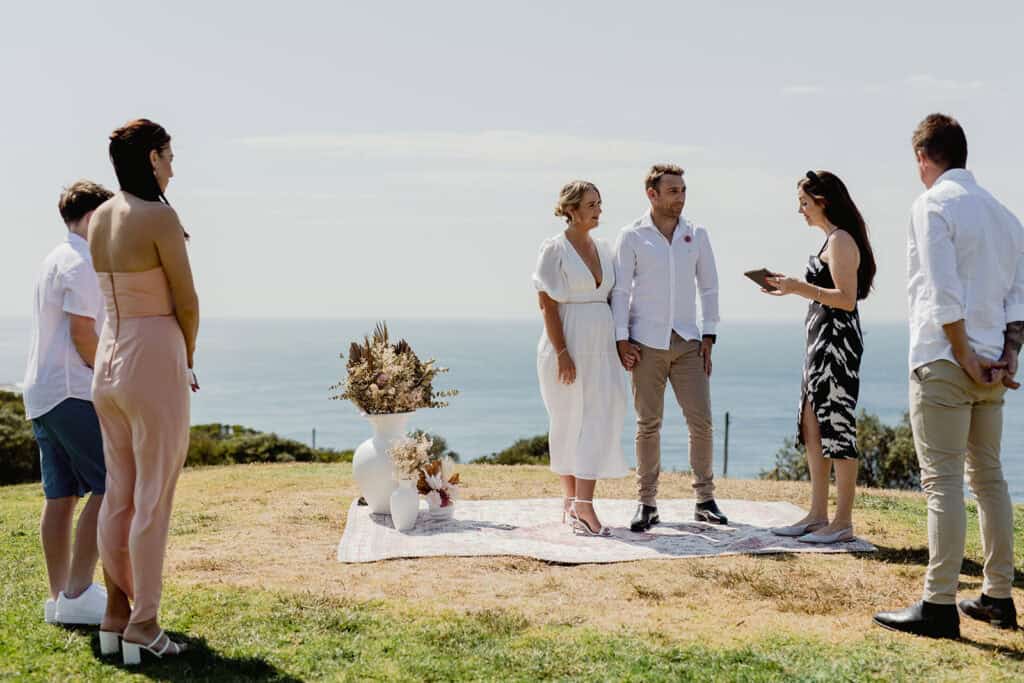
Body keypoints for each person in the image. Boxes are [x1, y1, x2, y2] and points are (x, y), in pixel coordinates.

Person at [875, 114, 1023, 639]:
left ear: (923, 156)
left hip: (946, 358)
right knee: (989, 479)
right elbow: (1017, 300)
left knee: (942, 483)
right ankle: (998, 597)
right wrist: (1008, 356)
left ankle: (938, 604)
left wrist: (961, 354)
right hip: (992, 364)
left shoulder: (931, 204)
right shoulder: (1006, 216)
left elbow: (941, 290)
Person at [89, 118, 200, 663]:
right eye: (170, 156)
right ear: (153, 158)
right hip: (152, 356)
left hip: (107, 362)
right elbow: (187, 300)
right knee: (154, 497)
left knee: (120, 494)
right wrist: (190, 356)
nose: (174, 166)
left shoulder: (100, 217)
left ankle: (115, 611)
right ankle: (145, 623)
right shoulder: (158, 216)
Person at [611, 164, 727, 532]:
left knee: (702, 423)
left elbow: (709, 286)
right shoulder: (631, 236)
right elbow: (620, 291)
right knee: (648, 425)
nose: (680, 197)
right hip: (645, 343)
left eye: (683, 190)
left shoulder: (697, 234)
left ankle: (705, 500)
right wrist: (621, 338)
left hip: (689, 342)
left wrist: (709, 335)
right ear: (653, 194)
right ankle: (646, 503)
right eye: (673, 190)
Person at [763, 171, 876, 544]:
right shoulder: (832, 239)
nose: (800, 211)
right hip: (820, 343)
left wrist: (799, 287)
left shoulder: (842, 240)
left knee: (837, 427)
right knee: (812, 425)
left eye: (804, 203)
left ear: (822, 200)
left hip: (836, 347)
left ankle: (842, 521)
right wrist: (793, 287)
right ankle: (817, 514)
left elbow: (846, 298)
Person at [23, 180, 114, 625]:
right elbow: (83, 333)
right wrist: (110, 377)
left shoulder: (53, 259)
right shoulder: (82, 263)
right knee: (111, 483)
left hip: (42, 393)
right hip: (72, 390)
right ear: (95, 216)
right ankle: (78, 594)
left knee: (60, 497)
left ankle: (58, 598)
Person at [534, 180, 628, 536]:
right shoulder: (553, 249)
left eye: (600, 203)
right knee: (568, 419)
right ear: (571, 209)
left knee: (601, 414)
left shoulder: (604, 248)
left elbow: (615, 298)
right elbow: (547, 304)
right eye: (591, 204)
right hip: (567, 342)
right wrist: (562, 353)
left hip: (601, 344)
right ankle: (575, 503)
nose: (598, 209)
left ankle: (580, 504)